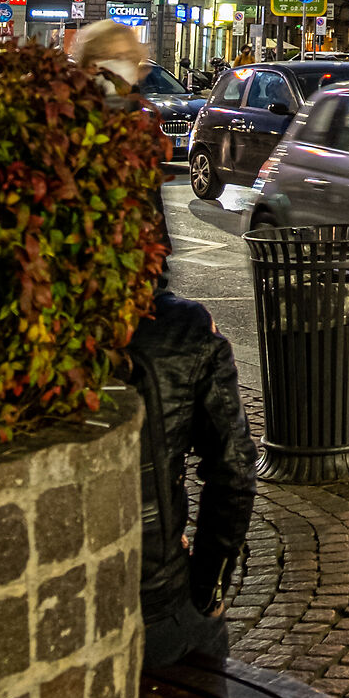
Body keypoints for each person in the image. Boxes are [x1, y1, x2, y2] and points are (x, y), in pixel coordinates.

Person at [126, 267, 257, 667]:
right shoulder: (182, 329)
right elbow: (234, 470)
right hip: (157, 595)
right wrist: (209, 588)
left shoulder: (13, 329)